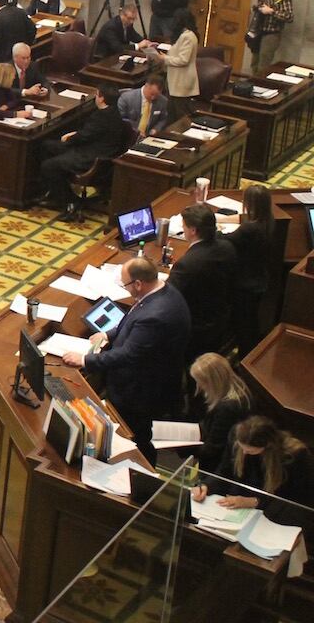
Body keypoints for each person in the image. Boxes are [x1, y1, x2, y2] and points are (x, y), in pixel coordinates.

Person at [62, 257, 191, 458]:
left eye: (126, 285)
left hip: (141, 393)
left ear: (138, 284)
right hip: (150, 380)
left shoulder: (155, 316)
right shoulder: (164, 291)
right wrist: (108, 335)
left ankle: (140, 469)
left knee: (138, 439)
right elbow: (132, 319)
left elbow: (129, 354)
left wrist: (85, 360)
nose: (126, 289)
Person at [191, 417, 314, 522]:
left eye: (250, 450)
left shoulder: (294, 456)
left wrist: (254, 502)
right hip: (240, 504)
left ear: (268, 446)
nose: (244, 452)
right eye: (242, 447)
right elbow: (225, 470)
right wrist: (206, 485)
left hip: (275, 513)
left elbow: (294, 498)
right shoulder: (236, 435)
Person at [38, 84, 128, 220]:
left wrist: (68, 138)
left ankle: (70, 201)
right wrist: (73, 136)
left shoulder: (101, 116)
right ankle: (53, 193)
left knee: (49, 166)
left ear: (101, 98)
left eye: (97, 94)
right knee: (47, 146)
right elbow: (91, 133)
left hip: (91, 158)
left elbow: (84, 137)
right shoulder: (115, 113)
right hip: (98, 151)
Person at [168, 203, 238, 359]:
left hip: (196, 329)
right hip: (219, 320)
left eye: (184, 226)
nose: (183, 228)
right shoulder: (227, 247)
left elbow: (168, 297)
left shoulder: (187, 264)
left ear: (193, 230)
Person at [227, 183, 278, 355]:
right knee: (250, 322)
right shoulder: (268, 221)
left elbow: (226, 239)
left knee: (244, 326)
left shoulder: (250, 228)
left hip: (245, 285)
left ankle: (244, 359)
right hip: (259, 279)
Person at [188, 353, 254, 472]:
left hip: (218, 466)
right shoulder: (240, 389)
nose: (199, 386)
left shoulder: (227, 408)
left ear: (213, 382)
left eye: (201, 382)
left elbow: (214, 447)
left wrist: (185, 448)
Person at [139, 7, 199, 120]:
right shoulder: (183, 35)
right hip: (175, 80)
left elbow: (183, 60)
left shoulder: (188, 36)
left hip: (181, 81)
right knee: (171, 112)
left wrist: (164, 58)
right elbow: (177, 52)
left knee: (179, 114)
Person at [249, 0, 294, 72]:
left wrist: (271, 11)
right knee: (254, 62)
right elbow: (260, 3)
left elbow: (289, 17)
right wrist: (257, 8)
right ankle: (253, 80)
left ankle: (260, 81)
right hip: (259, 30)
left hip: (272, 34)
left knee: (263, 64)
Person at [0, 0, 35, 64]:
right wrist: (26, 45)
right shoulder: (21, 12)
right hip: (20, 55)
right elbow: (32, 29)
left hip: (2, 60)